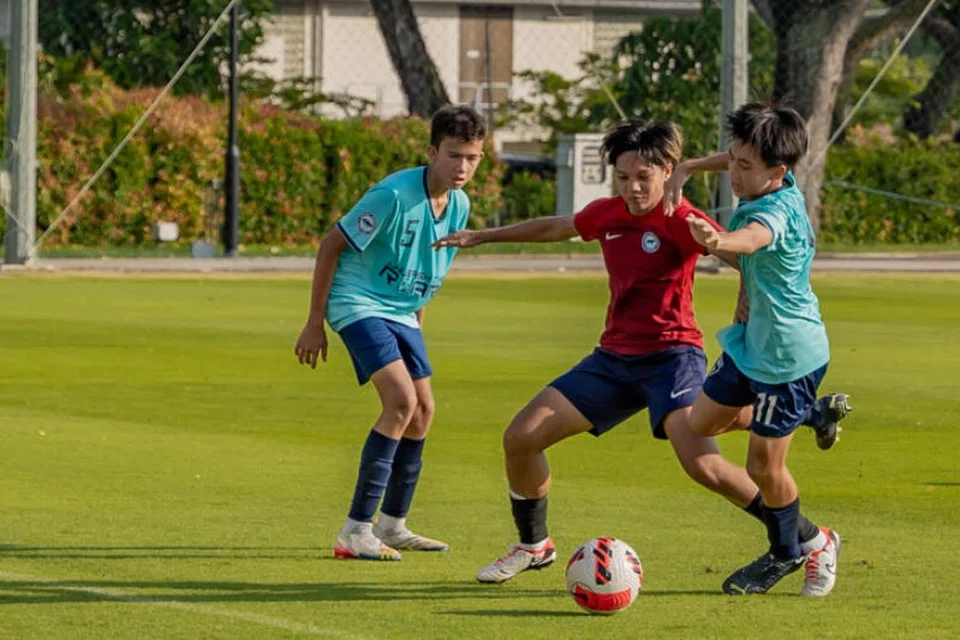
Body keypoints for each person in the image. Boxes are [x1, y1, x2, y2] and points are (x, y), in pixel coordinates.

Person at [434, 120, 848, 592]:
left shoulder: (680, 218)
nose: (632, 188)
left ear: (666, 172)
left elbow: (746, 255)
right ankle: (534, 547)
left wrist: (746, 301)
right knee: (521, 438)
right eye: (623, 177)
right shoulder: (609, 213)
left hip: (673, 358)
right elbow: (558, 226)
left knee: (704, 466)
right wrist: (482, 236)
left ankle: (808, 538)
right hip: (612, 360)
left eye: (643, 178)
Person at [294, 105, 486, 561]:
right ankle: (355, 530)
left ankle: (393, 525)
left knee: (424, 411)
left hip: (402, 312)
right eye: (454, 155)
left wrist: (416, 321)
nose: (463, 167)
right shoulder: (394, 194)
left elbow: (426, 267)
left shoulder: (459, 204)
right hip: (356, 302)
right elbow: (330, 245)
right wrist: (314, 322)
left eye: (473, 158)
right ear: (432, 151)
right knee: (400, 403)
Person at [675, 102, 846, 596]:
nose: (732, 171)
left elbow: (752, 239)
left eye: (743, 166)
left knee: (761, 468)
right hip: (753, 346)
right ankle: (814, 414)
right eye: (732, 159)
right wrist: (689, 166)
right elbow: (734, 158)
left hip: (786, 360)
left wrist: (718, 238)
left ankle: (796, 550)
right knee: (700, 423)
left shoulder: (775, 212)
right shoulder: (771, 179)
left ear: (779, 172)